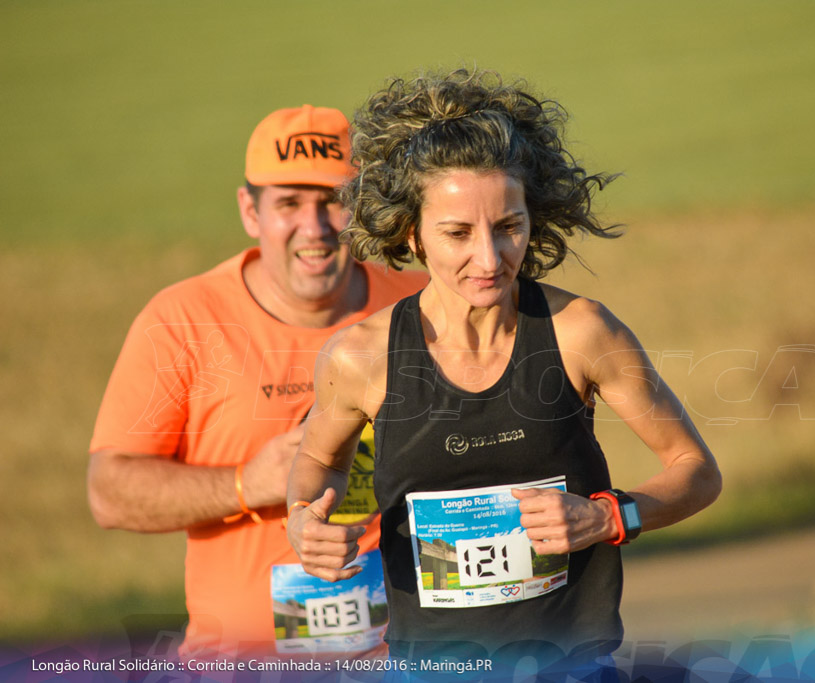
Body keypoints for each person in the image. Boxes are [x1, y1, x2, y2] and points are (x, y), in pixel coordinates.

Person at [286, 70, 722, 661]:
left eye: (509, 228)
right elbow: (318, 460)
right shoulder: (361, 357)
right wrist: (301, 519)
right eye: (457, 233)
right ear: (412, 236)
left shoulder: (581, 334)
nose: (489, 259)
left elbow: (696, 469)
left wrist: (606, 518)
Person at [88, 105, 428, 658]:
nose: (314, 228)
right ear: (250, 210)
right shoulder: (182, 322)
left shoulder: (421, 307)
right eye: (288, 203)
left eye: (334, 201)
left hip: (407, 662)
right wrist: (246, 484)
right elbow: (108, 493)